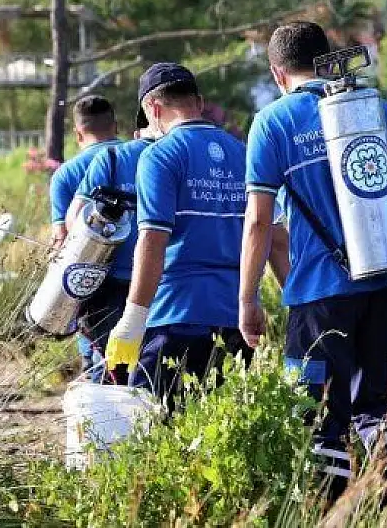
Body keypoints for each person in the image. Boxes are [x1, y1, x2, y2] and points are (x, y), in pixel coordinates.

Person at [238, 21, 387, 501]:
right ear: (326, 59)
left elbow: (259, 223)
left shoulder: (273, 122)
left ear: (277, 73)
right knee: (377, 409)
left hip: (319, 294)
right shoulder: (379, 112)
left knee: (320, 415)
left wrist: (246, 299)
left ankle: (331, 511)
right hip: (385, 283)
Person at [103, 63, 253, 412]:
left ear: (152, 109)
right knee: (219, 432)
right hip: (234, 318)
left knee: (156, 428)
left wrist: (132, 320)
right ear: (199, 102)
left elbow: (152, 241)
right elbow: (272, 235)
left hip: (174, 317)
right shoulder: (241, 152)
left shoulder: (160, 155)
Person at [64, 113, 157, 382]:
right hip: (165, 284)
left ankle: (104, 418)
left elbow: (74, 218)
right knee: (153, 370)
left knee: (109, 367)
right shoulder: (181, 155)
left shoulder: (114, 159)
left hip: (111, 281)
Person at [46, 95, 122, 375]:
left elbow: (60, 237)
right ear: (116, 126)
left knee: (99, 361)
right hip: (144, 276)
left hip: (91, 284)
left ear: (78, 133)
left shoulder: (65, 175)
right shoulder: (141, 156)